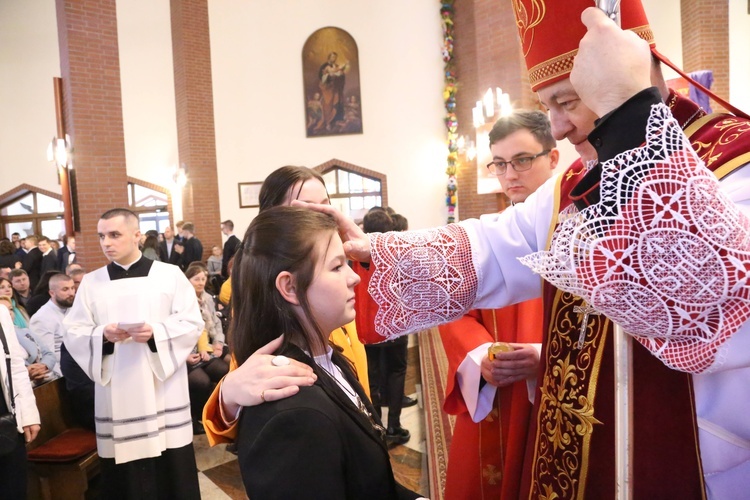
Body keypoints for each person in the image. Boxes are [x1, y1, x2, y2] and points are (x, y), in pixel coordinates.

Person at [297, 2, 750, 497]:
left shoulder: (734, 162)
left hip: (703, 461)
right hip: (584, 444)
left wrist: (628, 118)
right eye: (546, 105)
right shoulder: (575, 180)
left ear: (634, 75)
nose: (556, 127)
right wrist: (376, 253)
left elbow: (710, 305)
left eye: (569, 100)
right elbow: (496, 246)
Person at [233, 206, 419, 500]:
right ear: (290, 286)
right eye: (337, 267)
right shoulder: (294, 414)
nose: (354, 278)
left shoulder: (330, 358)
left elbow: (368, 482)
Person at [203, 165, 370, 446]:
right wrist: (228, 396)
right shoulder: (259, 293)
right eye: (305, 209)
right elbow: (252, 380)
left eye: (326, 208)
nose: (322, 218)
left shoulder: (337, 277)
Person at [439, 110, 557, 499]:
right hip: (497, 395)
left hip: (557, 391)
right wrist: (480, 355)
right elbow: (455, 309)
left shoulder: (581, 231)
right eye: (501, 164)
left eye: (523, 160)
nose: (510, 174)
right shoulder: (489, 234)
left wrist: (544, 358)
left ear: (553, 158)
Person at [63, 208, 203, 499]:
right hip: (117, 391)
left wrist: (156, 333)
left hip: (162, 390)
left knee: (170, 472)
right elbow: (73, 331)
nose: (106, 243)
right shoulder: (91, 282)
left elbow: (191, 322)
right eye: (102, 236)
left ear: (137, 235)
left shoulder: (170, 275)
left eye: (114, 235)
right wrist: (102, 334)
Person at [354, 209, 412, 446]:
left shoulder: (353, 256)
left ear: (365, 229)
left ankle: (376, 426)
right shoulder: (398, 254)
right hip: (394, 324)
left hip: (367, 326)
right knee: (396, 373)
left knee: (373, 376)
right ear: (390, 228)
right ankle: (394, 426)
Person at [0, 299, 41, 499]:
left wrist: (29, 414)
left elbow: (15, 364)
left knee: (13, 488)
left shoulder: (1, 314)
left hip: (6, 413)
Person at [185, 263, 229, 434]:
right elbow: (187, 331)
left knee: (225, 370)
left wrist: (218, 343)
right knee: (201, 381)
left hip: (207, 346)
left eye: (203, 279)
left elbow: (215, 325)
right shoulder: (183, 301)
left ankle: (216, 414)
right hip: (188, 351)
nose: (201, 282)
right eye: (196, 279)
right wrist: (191, 352)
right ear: (187, 280)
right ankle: (195, 417)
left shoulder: (208, 298)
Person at [0, 297, 57, 386]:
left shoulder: (25, 332)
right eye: (4, 311)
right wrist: (26, 372)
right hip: (19, 387)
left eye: (11, 309)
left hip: (47, 379)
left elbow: (48, 354)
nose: (9, 313)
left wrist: (43, 366)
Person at [29, 273, 75, 371]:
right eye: (65, 289)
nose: (71, 293)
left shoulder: (75, 309)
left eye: (72, 288)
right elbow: (48, 357)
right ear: (52, 293)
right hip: (62, 373)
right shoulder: (41, 318)